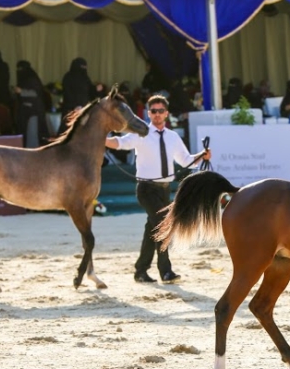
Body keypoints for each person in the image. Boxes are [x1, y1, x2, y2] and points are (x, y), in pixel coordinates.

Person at [105, 94, 212, 284]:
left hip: (164, 190)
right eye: (153, 111)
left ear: (166, 113)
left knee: (152, 229)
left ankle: (140, 270)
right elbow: (120, 143)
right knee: (163, 227)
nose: (157, 114)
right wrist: (102, 139)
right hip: (146, 189)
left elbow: (186, 161)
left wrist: (202, 156)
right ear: (148, 113)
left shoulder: (173, 137)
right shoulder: (140, 133)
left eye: (160, 111)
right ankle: (166, 271)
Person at [13, 60, 50, 148]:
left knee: (33, 136)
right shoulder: (25, 78)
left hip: (34, 111)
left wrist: (21, 91)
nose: (19, 71)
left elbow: (35, 93)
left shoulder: (32, 79)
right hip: (27, 111)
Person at [59, 57, 96, 135]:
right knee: (67, 132)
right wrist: (75, 106)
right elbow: (67, 93)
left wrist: (97, 89)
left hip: (84, 110)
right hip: (70, 110)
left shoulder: (85, 78)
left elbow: (91, 92)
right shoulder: (68, 77)